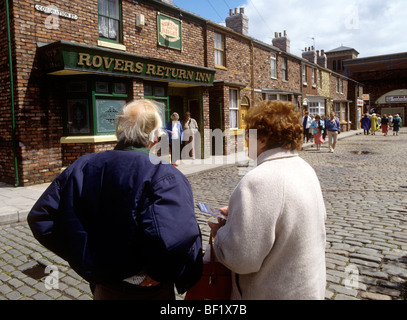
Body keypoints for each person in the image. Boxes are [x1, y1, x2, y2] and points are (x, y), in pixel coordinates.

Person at [27, 99, 203, 300]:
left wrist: (86, 260)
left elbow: (42, 217)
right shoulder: (162, 174)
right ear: (155, 137)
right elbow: (178, 238)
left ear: (120, 131)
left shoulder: (83, 165)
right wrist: (158, 273)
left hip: (105, 289)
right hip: (147, 291)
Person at [208, 100, 327, 300]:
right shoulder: (305, 168)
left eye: (249, 135)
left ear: (263, 138)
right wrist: (240, 214)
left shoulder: (259, 180)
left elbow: (241, 258)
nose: (246, 141)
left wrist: (220, 234)